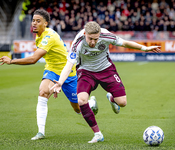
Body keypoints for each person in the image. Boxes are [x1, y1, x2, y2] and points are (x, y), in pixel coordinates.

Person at [51, 21, 161, 143]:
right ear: (84, 33)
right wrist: (60, 82)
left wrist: (144, 48)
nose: (93, 42)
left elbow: (124, 43)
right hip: (86, 71)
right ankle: (97, 134)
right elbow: (69, 64)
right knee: (81, 100)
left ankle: (112, 98)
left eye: (96, 39)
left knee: (123, 103)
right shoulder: (77, 42)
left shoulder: (106, 35)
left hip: (106, 69)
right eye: (90, 39)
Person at [0, 9, 80, 140]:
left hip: (68, 72)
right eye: (33, 20)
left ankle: (90, 103)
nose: (34, 23)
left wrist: (12, 61)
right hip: (52, 70)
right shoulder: (39, 34)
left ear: (46, 23)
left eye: (38, 21)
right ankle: (41, 132)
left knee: (77, 108)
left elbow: (33, 59)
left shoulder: (48, 36)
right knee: (43, 92)